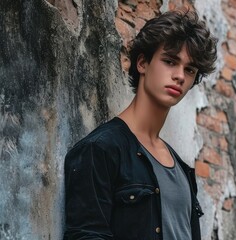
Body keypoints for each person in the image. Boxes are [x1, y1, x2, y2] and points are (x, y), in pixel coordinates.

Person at [63, 10, 217, 240]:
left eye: (190, 70)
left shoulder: (183, 169)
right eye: (170, 61)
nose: (180, 76)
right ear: (143, 63)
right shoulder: (100, 149)